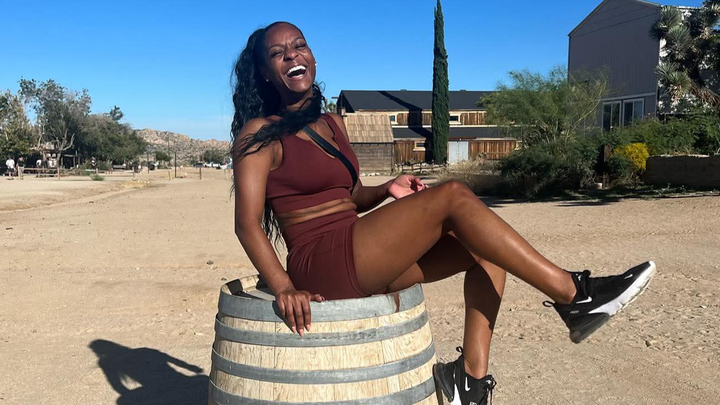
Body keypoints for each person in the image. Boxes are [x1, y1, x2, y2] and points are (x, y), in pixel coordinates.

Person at [230, 22, 655, 405]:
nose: (292, 55)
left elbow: (351, 195)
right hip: (318, 262)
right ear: (265, 72)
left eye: (299, 45)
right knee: (453, 195)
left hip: (359, 252)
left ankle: (469, 381)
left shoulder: (332, 124)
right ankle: (574, 295)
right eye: (278, 53)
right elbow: (247, 224)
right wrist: (284, 287)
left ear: (312, 56)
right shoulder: (258, 136)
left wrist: (387, 189)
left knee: (486, 250)